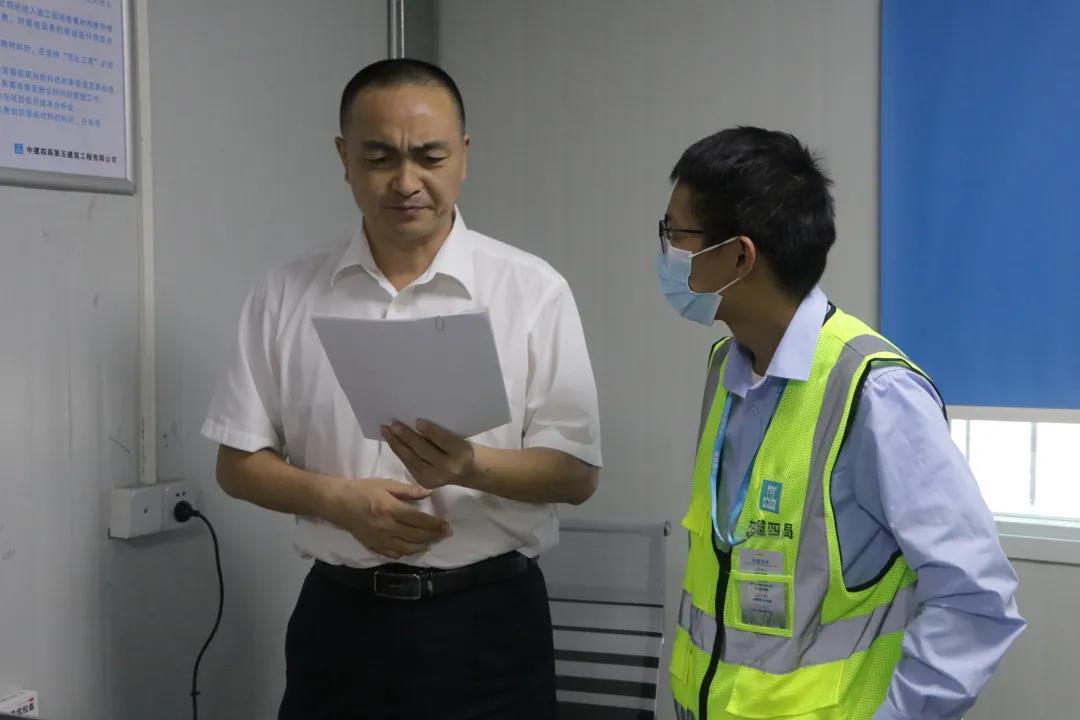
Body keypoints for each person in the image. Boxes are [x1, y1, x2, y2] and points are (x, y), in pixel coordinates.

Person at [202, 59, 601, 720]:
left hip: (487, 625)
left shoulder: (531, 291)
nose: (406, 182)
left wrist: (470, 465)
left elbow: (577, 474)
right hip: (339, 623)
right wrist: (337, 500)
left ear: (463, 156)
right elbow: (236, 463)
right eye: (380, 157)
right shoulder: (286, 294)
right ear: (344, 158)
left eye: (430, 156)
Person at [657, 127, 1024, 720]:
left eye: (677, 234)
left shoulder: (876, 392)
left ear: (739, 257)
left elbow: (975, 599)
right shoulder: (726, 368)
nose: (667, 251)